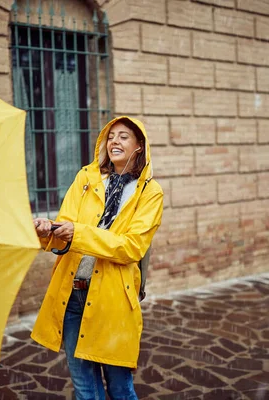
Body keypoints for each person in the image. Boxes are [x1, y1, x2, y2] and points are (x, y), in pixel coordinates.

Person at [31, 116, 164, 399]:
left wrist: (77, 233)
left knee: (120, 388)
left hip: (113, 299)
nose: (114, 141)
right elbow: (66, 227)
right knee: (85, 389)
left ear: (139, 146)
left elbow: (131, 247)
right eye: (111, 136)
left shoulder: (150, 193)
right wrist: (48, 229)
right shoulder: (86, 178)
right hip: (72, 296)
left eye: (124, 136)